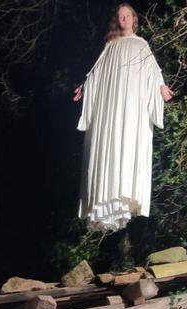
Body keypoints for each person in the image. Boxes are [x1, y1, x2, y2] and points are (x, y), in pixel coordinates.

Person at [73, 3, 174, 231]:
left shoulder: (141, 45)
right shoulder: (110, 47)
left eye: (127, 15)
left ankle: (124, 196)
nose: (124, 19)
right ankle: (106, 202)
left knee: (127, 148)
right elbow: (96, 73)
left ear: (134, 19)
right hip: (111, 111)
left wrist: (161, 87)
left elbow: (154, 71)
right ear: (117, 21)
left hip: (130, 111)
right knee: (110, 149)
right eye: (120, 16)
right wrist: (85, 87)